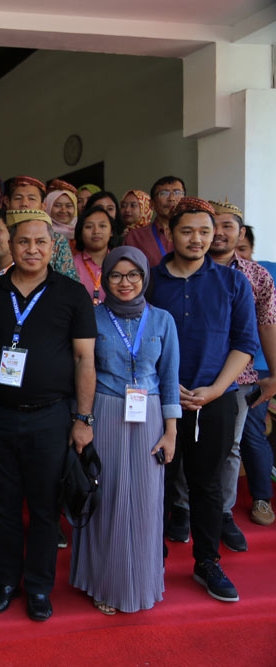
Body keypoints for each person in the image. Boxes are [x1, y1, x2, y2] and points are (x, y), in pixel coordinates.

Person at [0, 208, 96, 623]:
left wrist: (83, 419)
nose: (31, 249)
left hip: (51, 417)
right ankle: (7, 581)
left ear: (52, 246)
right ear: (10, 244)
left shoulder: (72, 293)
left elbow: (84, 360)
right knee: (2, 506)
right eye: (23, 241)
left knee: (46, 508)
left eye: (40, 242)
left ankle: (40, 587)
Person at [149, 197, 256, 604]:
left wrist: (215, 389)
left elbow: (244, 343)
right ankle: (149, 557)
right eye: (188, 231)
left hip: (216, 398)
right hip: (161, 397)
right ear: (170, 234)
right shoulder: (152, 281)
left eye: (205, 232)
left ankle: (206, 561)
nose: (198, 239)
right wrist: (166, 383)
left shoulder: (233, 283)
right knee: (156, 481)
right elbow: (139, 339)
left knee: (207, 485)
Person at [70, 247, 179, 615]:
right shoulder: (92, 318)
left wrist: (171, 432)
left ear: (145, 277)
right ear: (106, 278)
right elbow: (81, 370)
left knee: (148, 503)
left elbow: (169, 378)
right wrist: (81, 421)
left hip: (148, 416)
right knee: (109, 499)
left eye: (133, 274)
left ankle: (144, 582)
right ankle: (105, 582)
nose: (125, 282)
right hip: (106, 411)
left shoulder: (162, 320)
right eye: (116, 275)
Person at [206, 200, 276, 541]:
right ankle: (183, 509)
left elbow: (267, 324)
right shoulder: (182, 269)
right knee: (186, 446)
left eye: (227, 226)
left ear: (241, 233)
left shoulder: (256, 275)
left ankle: (222, 512)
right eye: (212, 226)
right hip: (189, 375)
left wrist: (275, 373)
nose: (219, 233)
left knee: (231, 447)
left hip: (239, 379)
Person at [2, 176, 80, 281]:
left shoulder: (57, 240)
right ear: (7, 202)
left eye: (32, 198)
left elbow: (70, 283)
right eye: (18, 198)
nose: (24, 204)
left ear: (43, 206)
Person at [124, 176, 185, 266]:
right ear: (151, 204)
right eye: (164, 193)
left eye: (177, 193)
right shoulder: (136, 237)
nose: (172, 198)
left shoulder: (196, 234)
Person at [73, 206, 114, 304]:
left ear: (111, 231)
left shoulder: (118, 263)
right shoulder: (71, 264)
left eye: (102, 226)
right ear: (80, 232)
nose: (96, 231)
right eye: (89, 227)